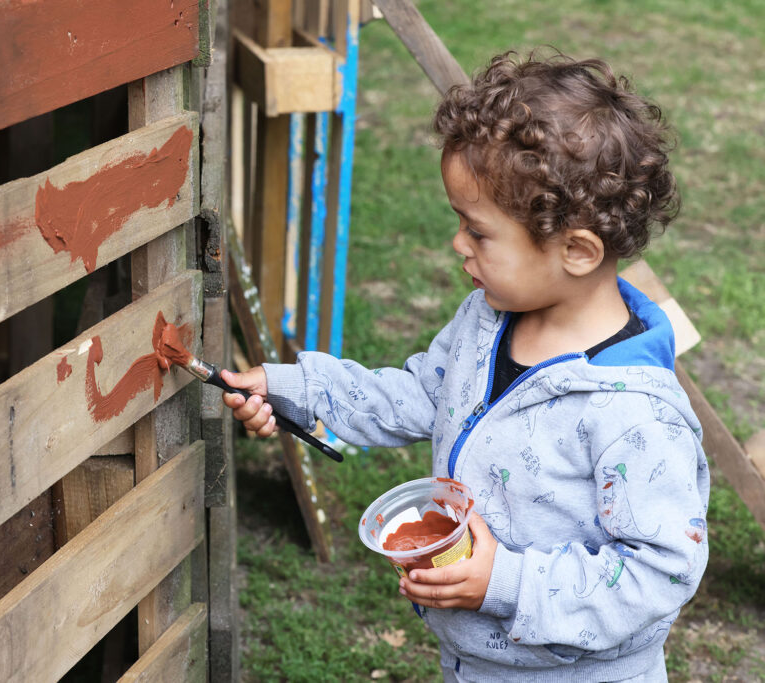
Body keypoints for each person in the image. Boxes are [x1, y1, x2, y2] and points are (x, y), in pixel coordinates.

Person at [221, 49, 709, 682]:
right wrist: (298, 387)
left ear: (578, 250)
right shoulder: (487, 318)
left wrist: (504, 581)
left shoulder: (634, 412)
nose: (458, 244)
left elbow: (659, 569)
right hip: (477, 660)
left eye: (477, 232)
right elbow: (424, 392)